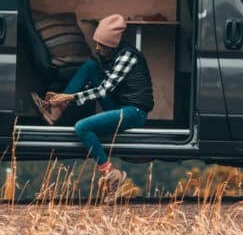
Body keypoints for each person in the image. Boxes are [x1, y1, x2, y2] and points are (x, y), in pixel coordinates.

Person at [31, 14, 154, 201]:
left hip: (133, 111)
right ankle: (57, 109)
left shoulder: (127, 56)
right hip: (117, 106)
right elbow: (95, 85)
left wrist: (70, 96)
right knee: (89, 66)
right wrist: (64, 97)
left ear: (112, 45)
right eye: (97, 43)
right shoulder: (106, 57)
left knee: (82, 127)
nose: (97, 48)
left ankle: (111, 174)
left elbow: (103, 90)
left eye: (102, 45)